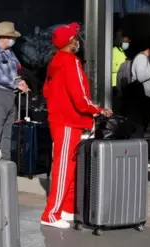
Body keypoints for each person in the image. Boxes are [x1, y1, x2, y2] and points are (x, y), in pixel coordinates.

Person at [40, 22, 113, 229]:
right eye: (75, 38)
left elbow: (47, 91)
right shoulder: (70, 62)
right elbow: (79, 95)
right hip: (67, 120)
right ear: (71, 42)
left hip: (62, 119)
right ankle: (51, 214)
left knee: (68, 166)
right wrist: (97, 109)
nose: (78, 41)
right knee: (64, 167)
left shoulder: (55, 62)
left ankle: (66, 209)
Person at [0, 21, 29, 160]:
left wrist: (22, 81)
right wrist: (17, 84)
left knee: (8, 133)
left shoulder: (9, 52)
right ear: (3, 37)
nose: (13, 40)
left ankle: (6, 165)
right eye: (11, 37)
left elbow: (17, 69)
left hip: (9, 94)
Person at [123, 40, 150, 139]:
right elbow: (141, 77)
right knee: (140, 124)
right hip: (141, 97)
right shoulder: (142, 58)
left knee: (144, 122)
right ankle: (137, 142)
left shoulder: (144, 58)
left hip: (144, 96)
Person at [112, 29, 130, 114]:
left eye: (127, 41)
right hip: (114, 83)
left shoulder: (122, 52)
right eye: (124, 41)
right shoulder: (114, 50)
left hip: (122, 82)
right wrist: (122, 65)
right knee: (117, 105)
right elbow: (111, 67)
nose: (126, 43)